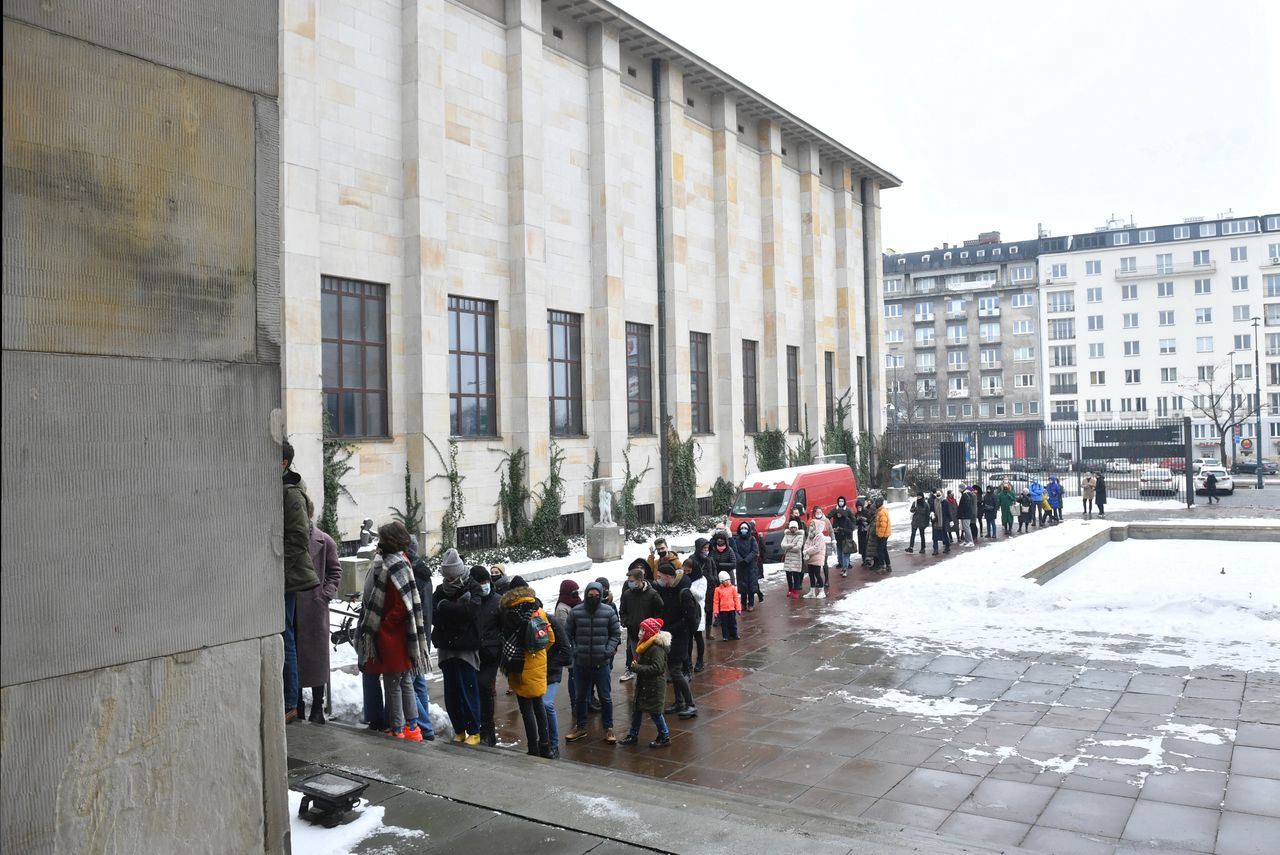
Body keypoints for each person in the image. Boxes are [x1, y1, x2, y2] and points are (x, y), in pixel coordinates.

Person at [356, 522, 431, 742]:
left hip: (392, 636)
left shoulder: (393, 563)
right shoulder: (400, 560)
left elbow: (401, 605)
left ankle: (398, 729)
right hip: (401, 635)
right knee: (405, 681)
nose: (378, 541)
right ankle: (413, 727)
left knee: (393, 683)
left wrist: (384, 625)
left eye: (381, 537)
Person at [281, 441, 320, 722]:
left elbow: (297, 538)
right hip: (281, 575)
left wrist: (276, 567)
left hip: (285, 577)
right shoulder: (283, 491)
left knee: (286, 636)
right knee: (284, 635)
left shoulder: (291, 494)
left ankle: (290, 703)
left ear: (283, 463)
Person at [431, 548, 483, 744]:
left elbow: (471, 613)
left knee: (468, 690)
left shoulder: (473, 587)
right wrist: (457, 610)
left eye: (453, 575)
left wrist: (446, 608)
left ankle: (474, 731)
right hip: (446, 648)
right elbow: (435, 616)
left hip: (466, 649)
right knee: (451, 692)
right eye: (447, 575)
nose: (450, 579)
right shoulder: (439, 590)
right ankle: (459, 729)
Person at [498, 580, 554, 758]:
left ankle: (533, 747)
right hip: (538, 664)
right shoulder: (538, 611)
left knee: (526, 709)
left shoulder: (509, 614)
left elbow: (506, 642)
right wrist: (538, 654)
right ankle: (545, 746)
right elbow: (550, 639)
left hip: (519, 666)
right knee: (539, 705)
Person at [297, 516, 342, 724]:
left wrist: (325, 595)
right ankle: (296, 705)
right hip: (294, 608)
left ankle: (317, 706)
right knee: (294, 658)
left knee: (317, 659)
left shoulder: (325, 541)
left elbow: (335, 571)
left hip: (315, 610)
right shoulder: (290, 539)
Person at [564, 581, 621, 744]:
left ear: (601, 595)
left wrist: (607, 651)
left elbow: (615, 634)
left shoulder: (608, 612)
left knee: (605, 698)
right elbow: (567, 634)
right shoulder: (576, 612)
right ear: (586, 595)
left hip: (601, 663)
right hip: (581, 663)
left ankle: (608, 728)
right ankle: (580, 727)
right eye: (591, 595)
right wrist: (575, 649)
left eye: (597, 596)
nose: (594, 598)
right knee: (580, 697)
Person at [619, 617, 672, 748]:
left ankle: (664, 736)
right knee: (637, 710)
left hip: (653, 686)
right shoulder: (645, 644)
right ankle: (633, 734)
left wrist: (637, 667)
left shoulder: (656, 648)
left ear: (649, 632)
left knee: (655, 712)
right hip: (645, 684)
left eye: (643, 630)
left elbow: (657, 668)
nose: (640, 632)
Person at [654, 562, 698, 718]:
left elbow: (689, 618)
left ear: (668, 577)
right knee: (673, 670)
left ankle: (690, 704)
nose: (657, 579)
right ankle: (679, 702)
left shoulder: (683, 592)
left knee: (676, 671)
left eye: (660, 577)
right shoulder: (668, 590)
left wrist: (671, 629)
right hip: (669, 636)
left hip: (680, 637)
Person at [618, 561, 663, 683]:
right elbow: (622, 610)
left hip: (649, 636)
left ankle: (649, 683)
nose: (629, 583)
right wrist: (626, 621)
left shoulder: (652, 594)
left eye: (631, 581)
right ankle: (640, 682)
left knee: (648, 661)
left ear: (640, 580)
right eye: (628, 581)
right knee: (637, 659)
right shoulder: (627, 594)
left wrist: (651, 626)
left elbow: (659, 612)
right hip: (633, 634)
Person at [472, 565, 503, 746]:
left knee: (484, 687)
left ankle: (488, 731)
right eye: (481, 582)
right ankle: (477, 727)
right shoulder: (472, 601)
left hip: (491, 653)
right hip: (474, 652)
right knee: (473, 688)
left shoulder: (498, 601)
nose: (485, 585)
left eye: (486, 582)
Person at [542, 607, 572, 758]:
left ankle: (553, 745)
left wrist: (551, 664)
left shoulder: (552, 622)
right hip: (535, 671)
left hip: (551, 671)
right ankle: (542, 742)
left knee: (547, 704)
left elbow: (566, 651)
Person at [681, 539, 711, 671]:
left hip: (697, 611)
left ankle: (700, 660)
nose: (686, 574)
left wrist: (689, 588)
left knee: (698, 637)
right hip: (686, 611)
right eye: (684, 571)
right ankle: (687, 662)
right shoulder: (683, 578)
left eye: (688, 571)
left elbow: (700, 595)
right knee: (687, 638)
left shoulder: (701, 579)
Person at [554, 579, 582, 710]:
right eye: (573, 591)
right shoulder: (562, 609)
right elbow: (565, 629)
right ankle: (575, 703)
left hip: (580, 643)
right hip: (571, 645)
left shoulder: (576, 603)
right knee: (573, 675)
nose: (576, 593)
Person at [731, 522, 760, 610]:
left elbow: (754, 551)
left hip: (751, 565)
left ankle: (751, 604)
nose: (743, 530)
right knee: (742, 585)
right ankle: (743, 604)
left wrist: (747, 559)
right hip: (741, 566)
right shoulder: (736, 539)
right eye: (742, 528)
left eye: (745, 528)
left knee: (751, 586)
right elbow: (735, 551)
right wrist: (740, 560)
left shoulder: (752, 539)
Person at [803, 508, 829, 598]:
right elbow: (806, 543)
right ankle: (812, 591)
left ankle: (822, 591)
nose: (811, 527)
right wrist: (805, 550)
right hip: (810, 558)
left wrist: (807, 551)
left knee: (817, 574)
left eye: (813, 525)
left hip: (817, 558)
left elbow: (817, 548)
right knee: (811, 575)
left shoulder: (820, 536)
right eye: (811, 525)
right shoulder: (810, 535)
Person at [829, 496, 857, 578]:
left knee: (845, 553)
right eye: (839, 501)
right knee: (840, 554)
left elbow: (852, 525)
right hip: (838, 537)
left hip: (846, 538)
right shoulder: (834, 511)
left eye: (842, 501)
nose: (838, 514)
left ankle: (845, 568)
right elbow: (828, 517)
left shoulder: (847, 516)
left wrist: (844, 529)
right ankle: (842, 565)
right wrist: (832, 528)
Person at [713, 571, 742, 640]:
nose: (728, 582)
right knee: (724, 624)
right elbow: (716, 601)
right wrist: (716, 611)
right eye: (726, 580)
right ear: (721, 581)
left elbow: (736, 599)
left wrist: (738, 608)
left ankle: (734, 634)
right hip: (723, 611)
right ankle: (725, 636)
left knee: (733, 623)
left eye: (728, 580)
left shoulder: (733, 588)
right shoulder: (717, 590)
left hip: (731, 609)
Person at [780, 520, 805, 598]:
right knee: (788, 575)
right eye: (791, 527)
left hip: (796, 558)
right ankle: (790, 589)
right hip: (788, 559)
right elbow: (782, 545)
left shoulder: (800, 535)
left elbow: (798, 548)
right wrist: (791, 545)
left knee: (796, 575)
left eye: (794, 527)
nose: (793, 529)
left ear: (797, 528)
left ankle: (795, 590)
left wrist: (787, 548)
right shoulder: (786, 535)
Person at [872, 497, 892, 574]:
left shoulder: (881, 512)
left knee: (880, 550)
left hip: (883, 535)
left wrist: (879, 535)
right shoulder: (882, 511)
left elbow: (883, 525)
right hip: (885, 534)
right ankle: (888, 564)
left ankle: (882, 565)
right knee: (884, 549)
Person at [931, 490, 952, 556]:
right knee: (935, 537)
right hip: (935, 521)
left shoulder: (944, 501)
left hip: (943, 521)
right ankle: (935, 550)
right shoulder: (934, 501)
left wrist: (951, 520)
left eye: (939, 493)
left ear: (942, 494)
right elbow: (932, 509)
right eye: (937, 493)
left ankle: (947, 547)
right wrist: (931, 513)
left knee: (944, 535)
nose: (938, 494)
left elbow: (948, 511)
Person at [855, 498, 872, 567]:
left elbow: (870, 520)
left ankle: (868, 559)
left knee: (867, 545)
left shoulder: (866, 512)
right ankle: (864, 559)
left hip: (866, 531)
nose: (859, 508)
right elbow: (855, 523)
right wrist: (858, 520)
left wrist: (865, 519)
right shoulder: (856, 514)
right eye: (858, 507)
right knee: (862, 546)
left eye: (860, 506)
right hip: (860, 531)